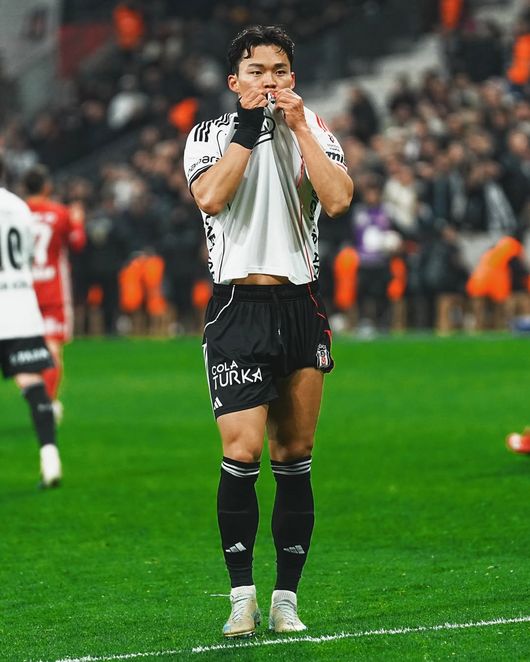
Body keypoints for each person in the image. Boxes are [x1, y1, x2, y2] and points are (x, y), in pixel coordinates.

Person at [183, 25, 353, 638]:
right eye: (256, 71)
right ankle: (241, 596)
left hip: (300, 303)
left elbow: (338, 200)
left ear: (293, 79)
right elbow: (210, 197)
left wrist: (301, 128)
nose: (269, 80)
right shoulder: (209, 134)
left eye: (279, 70)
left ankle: (285, 599)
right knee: (242, 451)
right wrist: (252, 130)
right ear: (235, 81)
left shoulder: (317, 130)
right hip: (238, 307)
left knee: (295, 455)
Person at [0, 156, 61, 487]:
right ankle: (50, 458)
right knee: (31, 381)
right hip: (21, 306)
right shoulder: (19, 207)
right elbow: (26, 256)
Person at [24, 164, 86, 422]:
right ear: (47, 187)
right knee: (52, 349)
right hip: (53, 292)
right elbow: (77, 243)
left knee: (24, 352)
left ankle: (35, 396)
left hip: (23, 292)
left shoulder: (15, 212)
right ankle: (47, 403)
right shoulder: (60, 213)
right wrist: (78, 222)